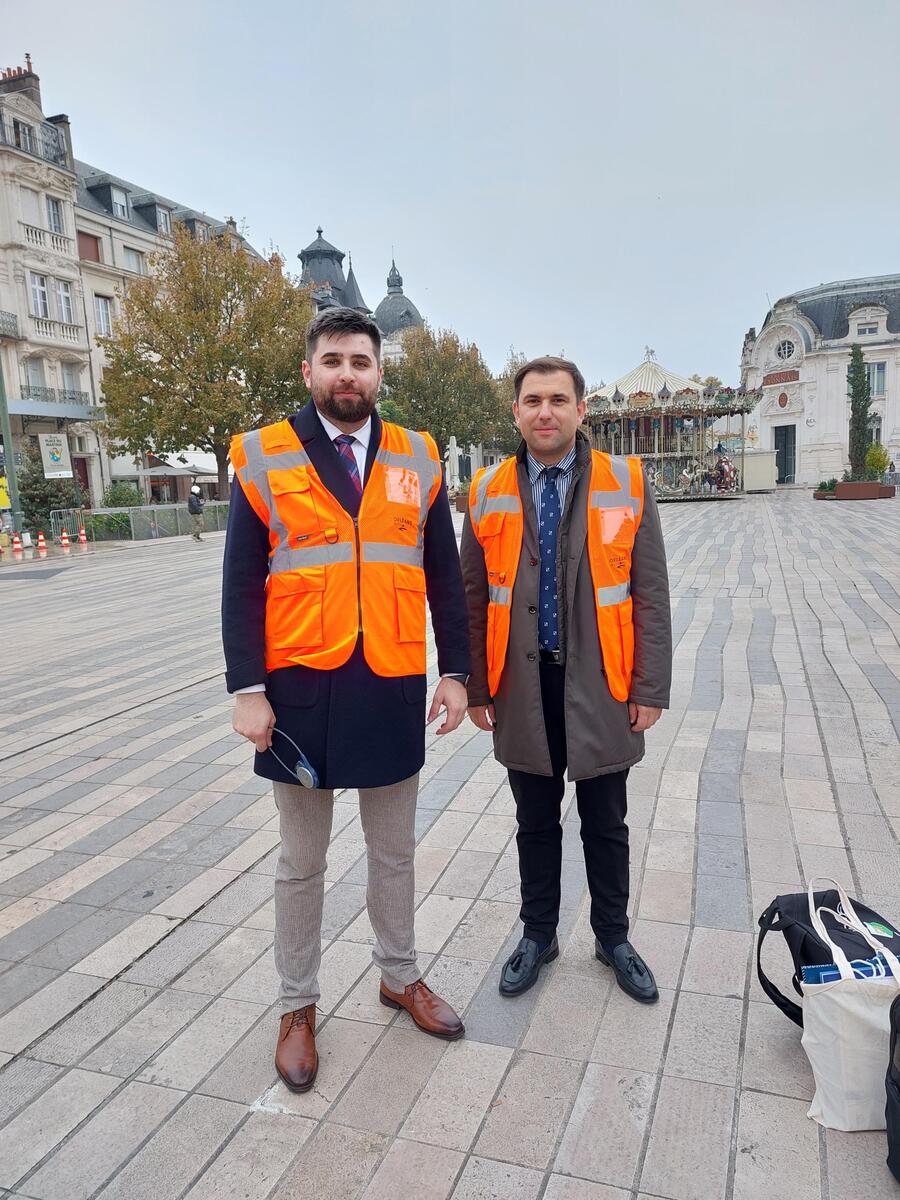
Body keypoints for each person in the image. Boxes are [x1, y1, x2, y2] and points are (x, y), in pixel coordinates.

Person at [222, 307, 470, 1095]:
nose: (347, 374)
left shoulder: (418, 455)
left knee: (395, 852)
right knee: (302, 862)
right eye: (333, 360)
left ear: (379, 371)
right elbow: (240, 582)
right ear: (309, 371)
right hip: (298, 692)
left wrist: (457, 672)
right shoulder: (264, 455)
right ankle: (297, 1006)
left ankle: (399, 976)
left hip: (391, 682)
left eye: (361, 361)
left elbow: (443, 575)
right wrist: (247, 690)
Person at [461, 356, 672, 1003]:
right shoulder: (486, 490)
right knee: (534, 820)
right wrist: (477, 686)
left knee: (607, 821)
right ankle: (538, 935)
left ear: (582, 409)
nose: (545, 411)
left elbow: (650, 593)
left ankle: (613, 938)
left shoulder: (626, 482)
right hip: (521, 686)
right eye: (533, 401)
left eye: (558, 399)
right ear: (516, 412)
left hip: (603, 684)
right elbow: (473, 598)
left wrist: (650, 688)